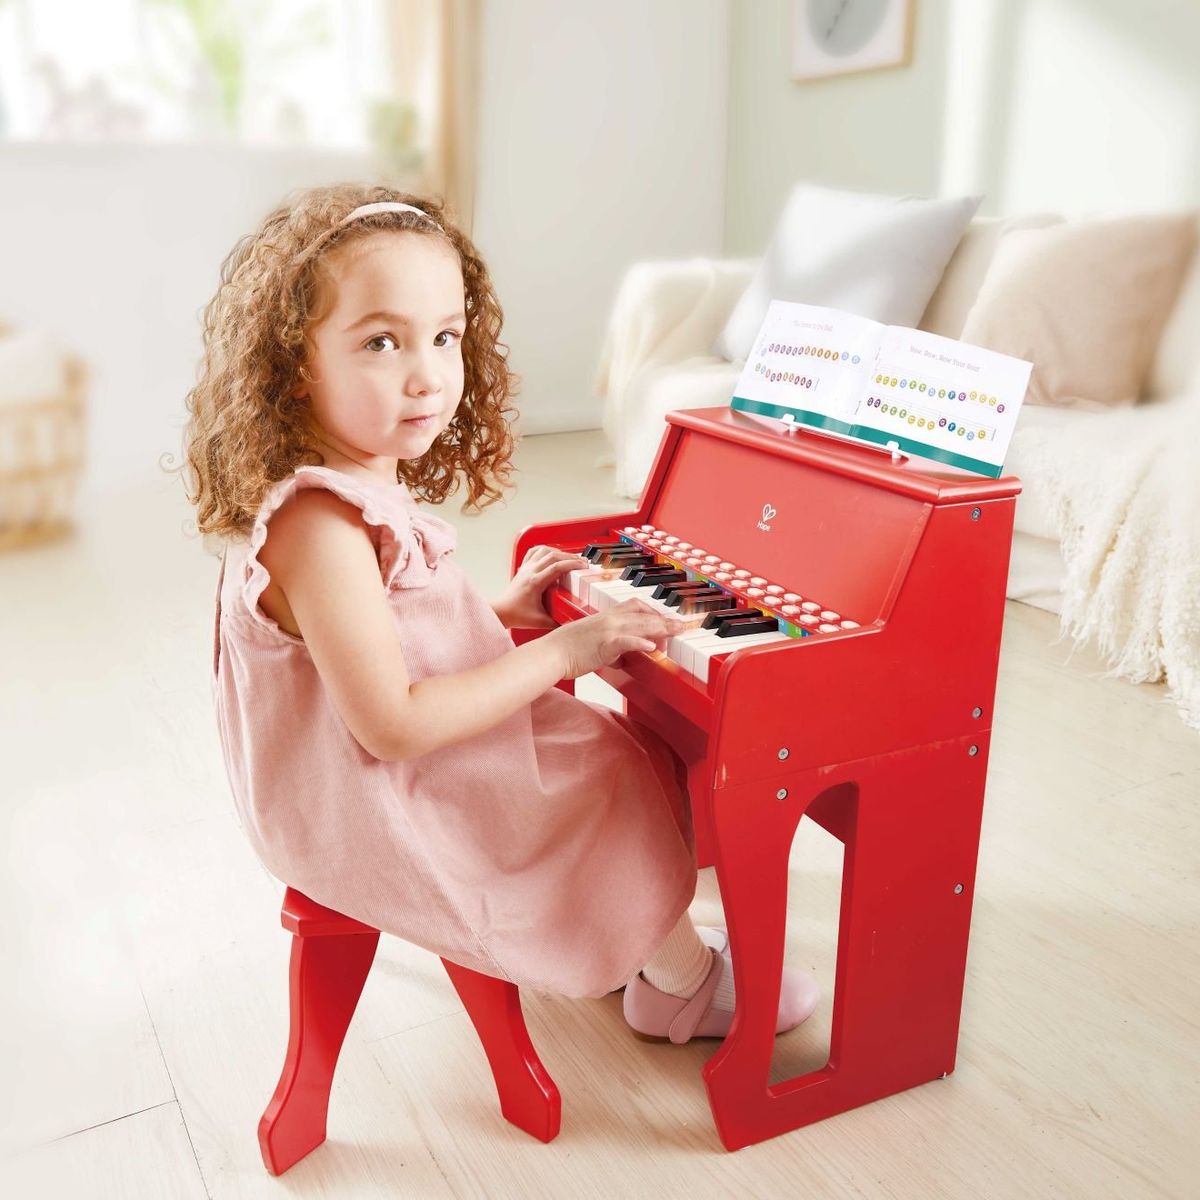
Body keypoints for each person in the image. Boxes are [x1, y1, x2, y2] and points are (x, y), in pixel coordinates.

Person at [178, 183, 817, 1043]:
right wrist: (565, 652)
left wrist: (497, 610)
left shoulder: (346, 484)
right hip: (364, 808)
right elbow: (393, 725)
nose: (428, 375)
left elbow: (368, 630)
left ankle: (631, 938)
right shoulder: (318, 525)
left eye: (444, 336)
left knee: (601, 750)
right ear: (296, 366)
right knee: (603, 775)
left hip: (363, 775)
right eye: (381, 342)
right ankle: (683, 985)